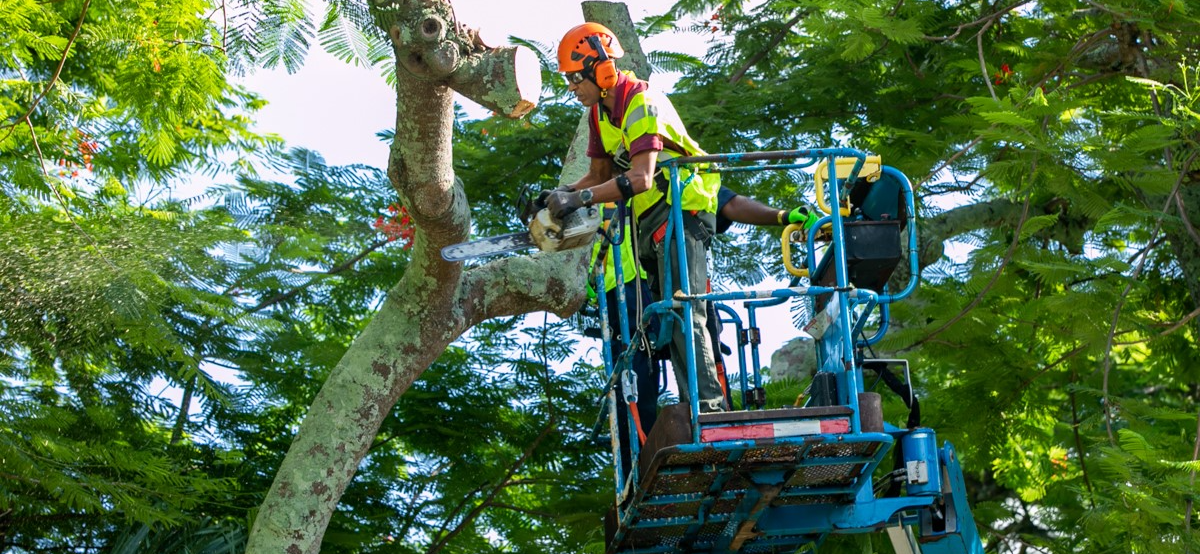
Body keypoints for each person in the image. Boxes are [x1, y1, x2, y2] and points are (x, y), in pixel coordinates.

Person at [543, 22, 725, 415]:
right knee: (671, 318)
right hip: (650, 220)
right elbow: (598, 175)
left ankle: (709, 407)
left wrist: (580, 199)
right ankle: (692, 403)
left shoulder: (640, 100)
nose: (572, 88)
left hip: (683, 207)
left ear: (602, 68)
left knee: (684, 307)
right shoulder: (600, 115)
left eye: (576, 79)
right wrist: (560, 195)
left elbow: (640, 178)